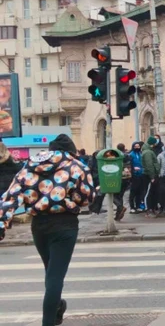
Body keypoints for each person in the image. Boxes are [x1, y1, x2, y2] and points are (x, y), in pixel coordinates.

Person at [0, 134, 95, 326]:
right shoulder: (75, 166)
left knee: (50, 271)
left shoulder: (30, 165)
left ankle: (57, 305)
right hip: (64, 224)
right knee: (55, 276)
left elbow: (10, 196)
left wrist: (2, 223)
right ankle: (48, 321)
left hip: (39, 225)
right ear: (71, 149)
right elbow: (87, 197)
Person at [141, 137, 160, 217]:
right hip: (149, 175)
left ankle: (151, 208)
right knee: (148, 193)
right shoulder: (148, 152)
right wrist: (152, 176)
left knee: (151, 192)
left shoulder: (147, 151)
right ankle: (148, 209)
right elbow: (149, 165)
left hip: (149, 174)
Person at [115, 143, 131, 221]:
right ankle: (118, 214)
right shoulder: (128, 155)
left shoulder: (116, 155)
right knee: (120, 196)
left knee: (112, 196)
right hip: (126, 178)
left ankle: (120, 208)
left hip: (118, 177)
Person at [128, 142, 145, 213]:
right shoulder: (131, 155)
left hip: (141, 175)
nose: (137, 147)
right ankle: (132, 207)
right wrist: (133, 169)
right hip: (134, 176)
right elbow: (129, 165)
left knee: (139, 192)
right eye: (135, 146)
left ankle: (138, 206)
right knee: (133, 192)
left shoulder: (140, 154)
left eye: (138, 146)